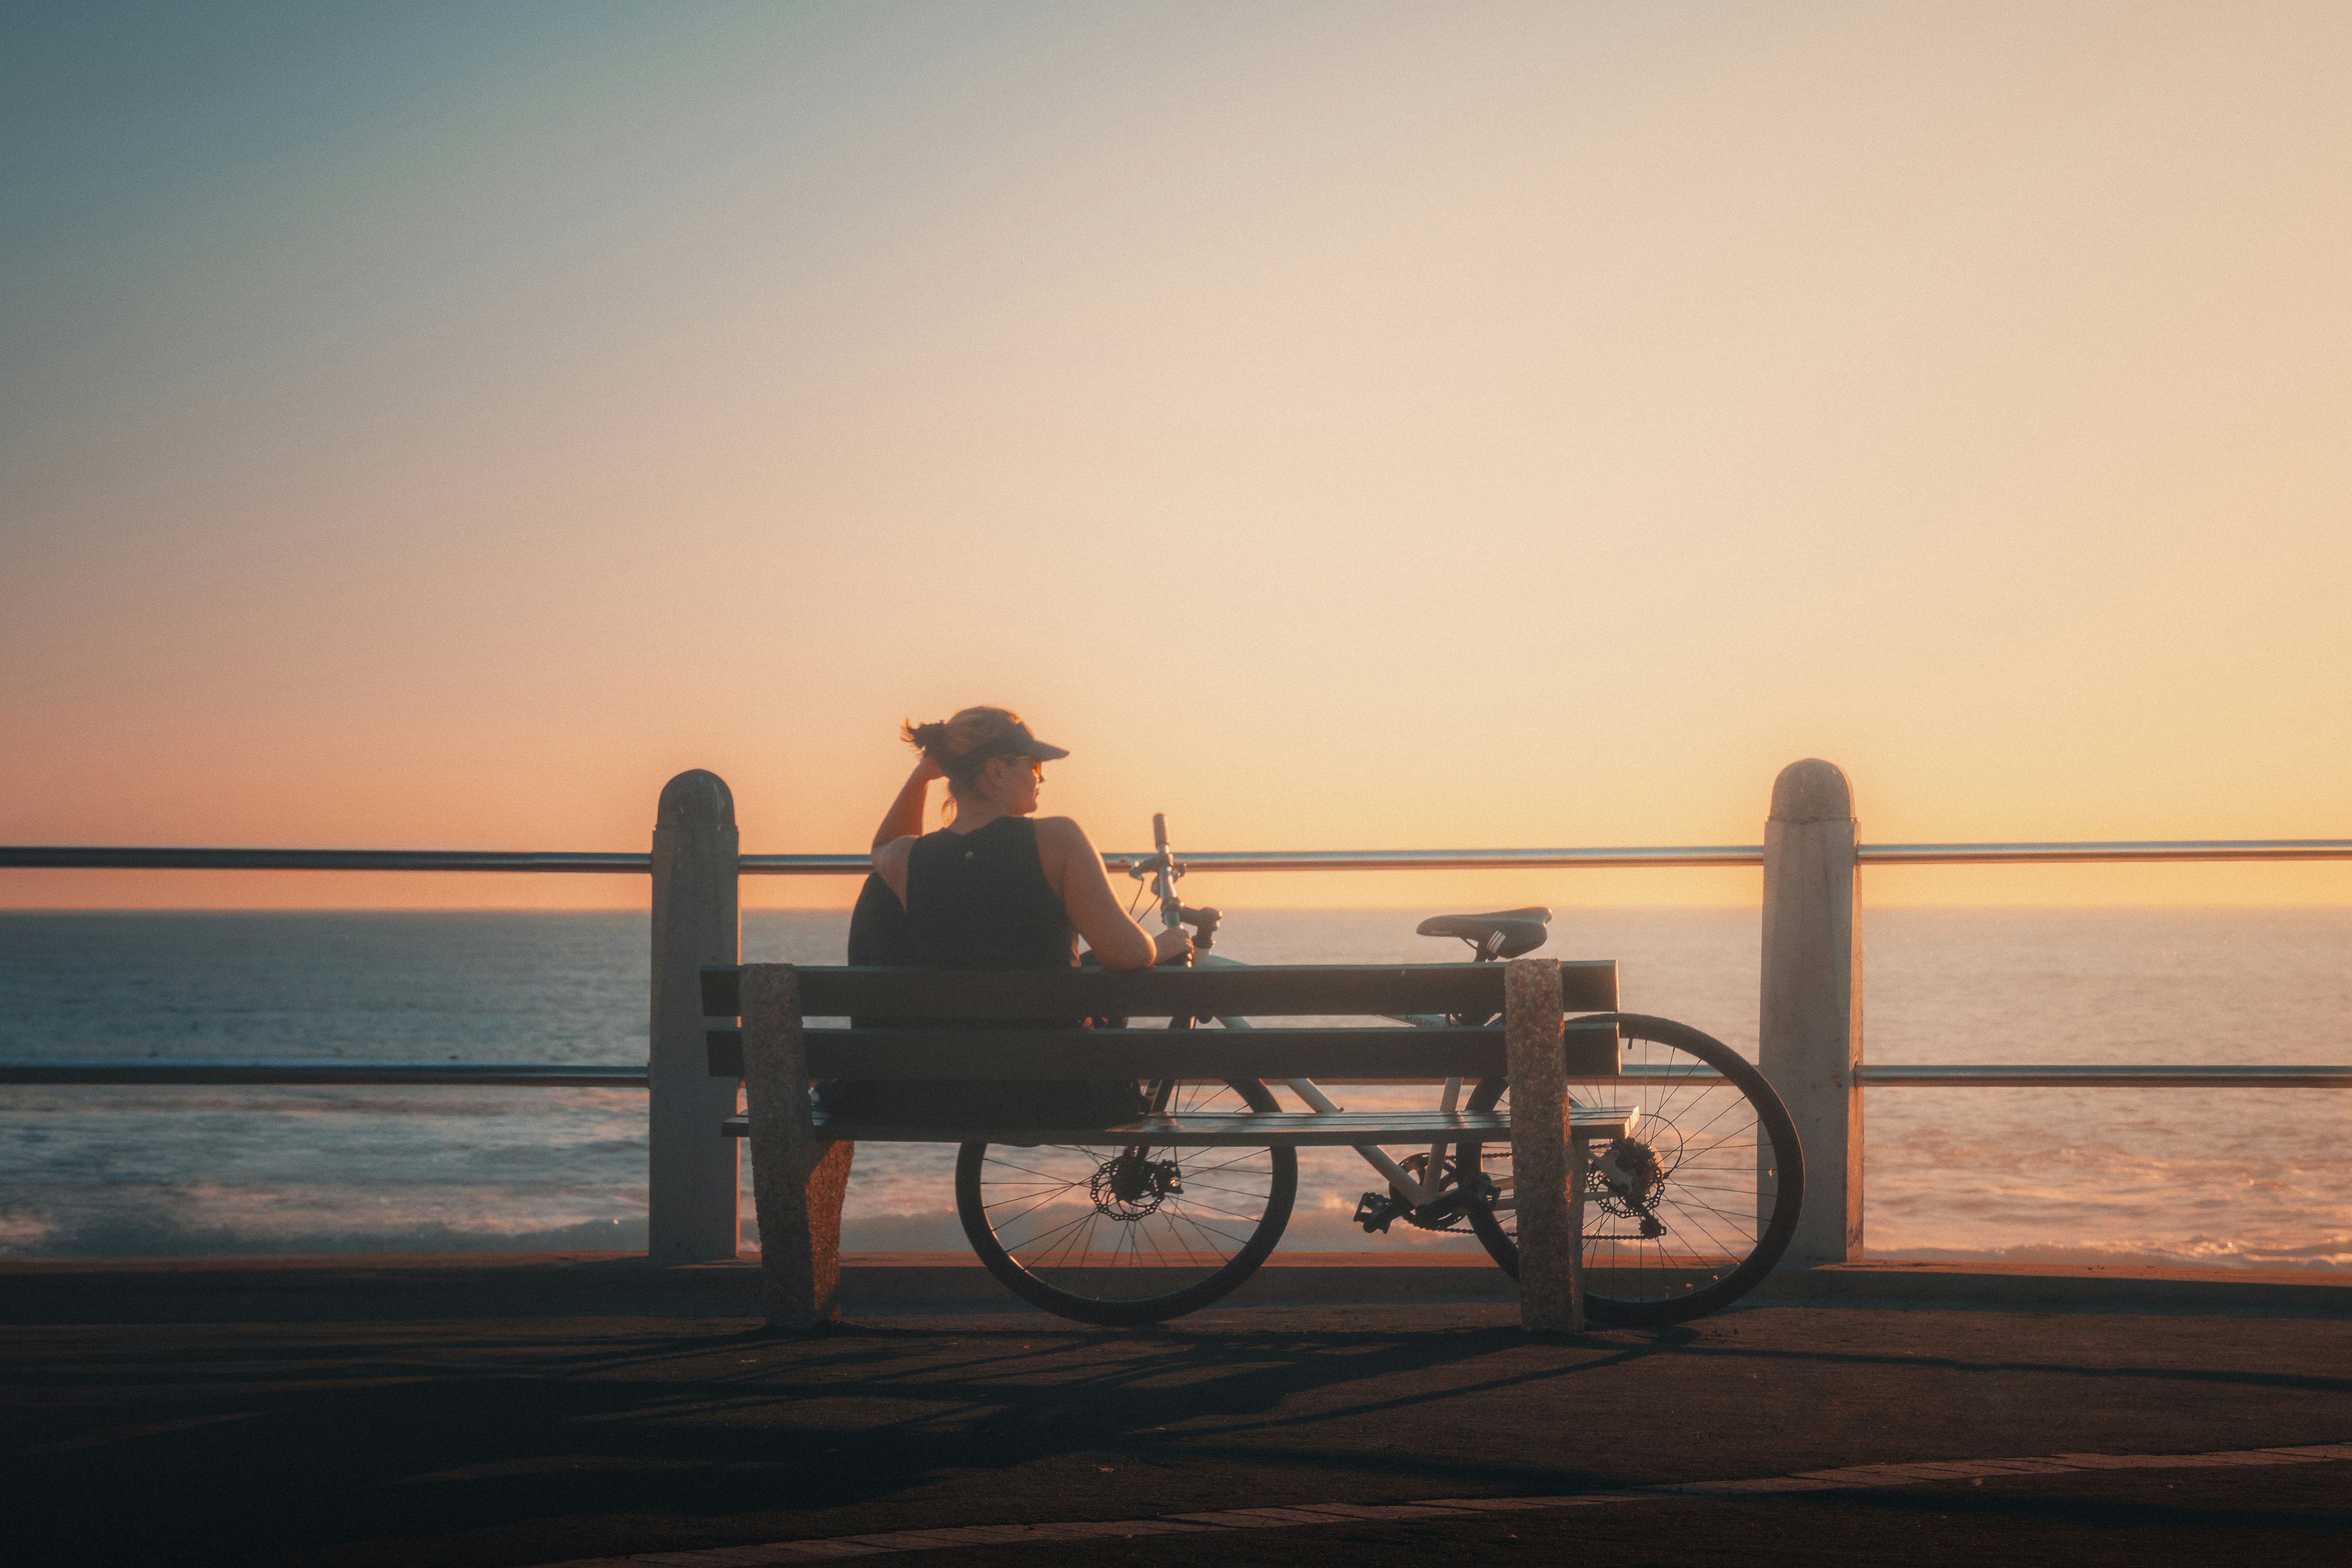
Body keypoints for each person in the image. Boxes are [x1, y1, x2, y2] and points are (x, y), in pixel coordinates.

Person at [818, 706, 1189, 1127]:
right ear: (996, 770)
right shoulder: (1058, 839)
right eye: (1032, 764)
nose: (1040, 777)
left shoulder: (909, 860)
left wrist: (922, 775)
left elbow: (884, 844)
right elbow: (1128, 954)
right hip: (1059, 1095)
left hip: (942, 1096)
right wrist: (1163, 945)